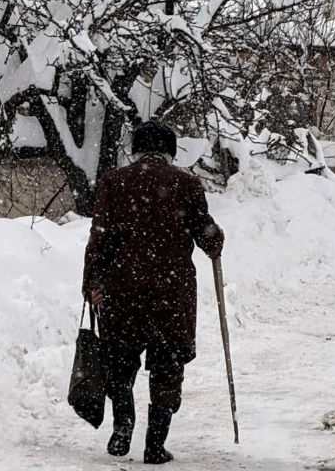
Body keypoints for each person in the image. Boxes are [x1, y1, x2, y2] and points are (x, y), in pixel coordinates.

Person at [82, 121, 224, 465]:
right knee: (167, 365)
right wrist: (215, 237)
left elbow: (99, 239)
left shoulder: (113, 183)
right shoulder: (186, 184)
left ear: (136, 149)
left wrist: (93, 283)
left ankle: (123, 423)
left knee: (119, 359)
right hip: (171, 293)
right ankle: (155, 445)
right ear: (170, 152)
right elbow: (208, 237)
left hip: (123, 288)